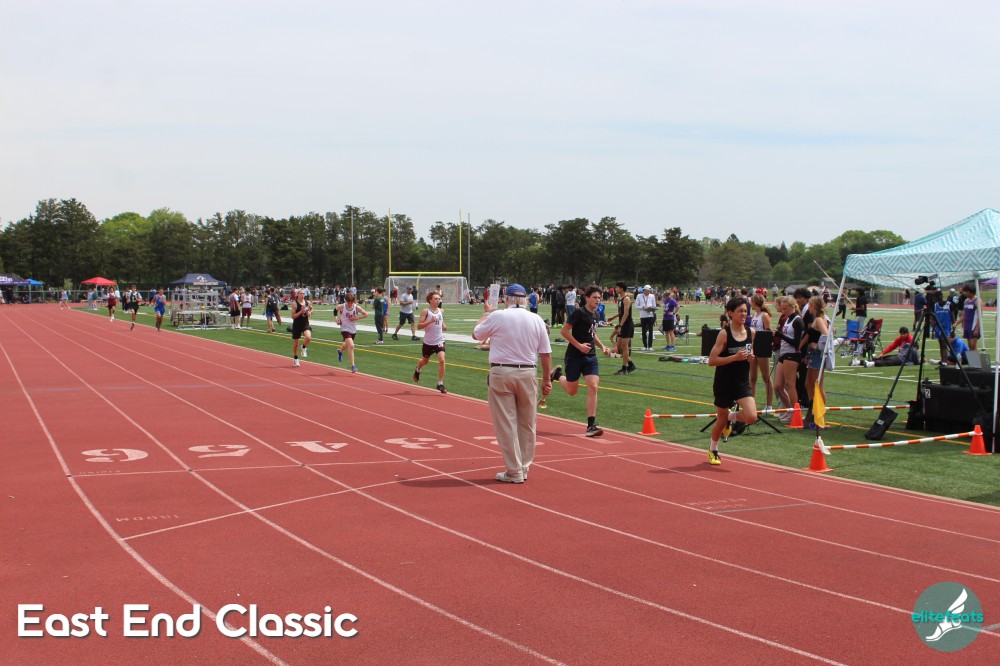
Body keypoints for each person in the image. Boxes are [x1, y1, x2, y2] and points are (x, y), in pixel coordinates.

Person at [472, 283, 553, 483]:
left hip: (502, 372)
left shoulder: (498, 316)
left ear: (506, 299)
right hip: (528, 372)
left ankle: (514, 470)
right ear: (525, 299)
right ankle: (523, 467)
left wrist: (486, 313)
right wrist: (547, 379)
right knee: (528, 423)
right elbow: (546, 353)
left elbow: (476, 335)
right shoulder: (536, 319)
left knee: (506, 423)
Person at [550, 285, 613, 436]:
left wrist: (602, 346)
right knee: (572, 391)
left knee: (593, 386)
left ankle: (591, 425)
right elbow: (564, 331)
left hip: (590, 357)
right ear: (587, 298)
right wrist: (579, 345)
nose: (598, 300)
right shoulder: (579, 313)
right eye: (595, 297)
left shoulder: (596, 314)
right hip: (574, 356)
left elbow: (592, 333)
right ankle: (557, 374)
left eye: (599, 298)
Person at [707, 298, 759, 465]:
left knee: (751, 416)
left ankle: (730, 417)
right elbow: (711, 361)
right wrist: (734, 357)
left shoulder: (751, 332)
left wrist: (751, 357)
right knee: (720, 421)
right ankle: (713, 449)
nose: (744, 314)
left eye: (745, 311)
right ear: (730, 313)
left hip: (742, 382)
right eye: (740, 311)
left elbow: (750, 352)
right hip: (724, 382)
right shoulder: (724, 334)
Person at [773, 296, 804, 425]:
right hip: (784, 353)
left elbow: (797, 343)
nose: (783, 311)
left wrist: (781, 335)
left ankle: (796, 413)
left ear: (793, 307)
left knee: (790, 385)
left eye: (785, 309)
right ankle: (789, 410)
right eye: (782, 308)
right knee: (778, 386)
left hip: (792, 354)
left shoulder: (797, 321)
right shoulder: (787, 319)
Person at [413, 291, 447, 393]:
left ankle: (440, 384)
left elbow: (441, 320)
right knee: (425, 361)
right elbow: (419, 326)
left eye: (439, 299)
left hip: (440, 340)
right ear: (430, 300)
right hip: (428, 342)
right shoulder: (425, 311)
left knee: (442, 360)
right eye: (436, 299)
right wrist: (430, 321)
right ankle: (418, 369)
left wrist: (443, 325)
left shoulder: (441, 311)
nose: (438, 300)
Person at [803, 296, 832, 410]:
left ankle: (821, 412)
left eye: (810, 305)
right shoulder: (819, 318)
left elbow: (826, 335)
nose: (808, 308)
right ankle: (813, 409)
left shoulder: (820, 319)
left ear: (814, 306)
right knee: (808, 384)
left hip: (817, 355)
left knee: (818, 385)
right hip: (813, 354)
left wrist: (818, 346)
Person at [748, 293, 774, 412]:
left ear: (755, 302)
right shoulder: (755, 315)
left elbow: (768, 332)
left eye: (751, 301)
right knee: (752, 377)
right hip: (753, 347)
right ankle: (751, 403)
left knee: (766, 377)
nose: (750, 304)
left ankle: (769, 405)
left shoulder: (764, 315)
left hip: (762, 347)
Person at [607, 281, 636, 375]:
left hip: (627, 325)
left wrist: (620, 325)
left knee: (624, 346)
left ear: (621, 288)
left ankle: (624, 368)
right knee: (619, 347)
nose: (615, 289)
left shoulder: (626, 299)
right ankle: (631, 364)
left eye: (617, 287)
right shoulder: (621, 299)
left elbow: (626, 313)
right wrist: (613, 317)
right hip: (623, 324)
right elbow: (621, 312)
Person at [336, 292, 368, 373]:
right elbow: (335, 310)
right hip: (344, 328)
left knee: (347, 345)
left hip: (353, 329)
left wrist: (357, 318)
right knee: (351, 345)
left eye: (351, 302)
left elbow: (365, 314)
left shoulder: (356, 307)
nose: (350, 304)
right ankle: (353, 366)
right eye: (348, 302)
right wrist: (336, 319)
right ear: (346, 301)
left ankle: (340, 351)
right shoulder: (342, 306)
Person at [955, 283, 981, 351]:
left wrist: (977, 329)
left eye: (967, 292)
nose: (965, 293)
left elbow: (980, 316)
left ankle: (975, 358)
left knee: (973, 346)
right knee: (970, 346)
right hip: (967, 325)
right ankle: (973, 358)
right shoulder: (966, 301)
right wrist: (957, 323)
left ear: (971, 292)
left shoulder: (977, 301)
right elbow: (964, 315)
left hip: (974, 326)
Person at [290, 289, 312, 367]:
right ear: (297, 294)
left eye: (303, 293)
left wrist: (309, 312)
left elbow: (311, 310)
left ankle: (303, 347)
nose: (302, 295)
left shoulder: (307, 302)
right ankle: (296, 358)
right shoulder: (294, 304)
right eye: (301, 293)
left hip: (305, 323)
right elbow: (293, 316)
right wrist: (301, 311)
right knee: (296, 343)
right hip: (297, 324)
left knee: (308, 337)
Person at [636, 285, 657, 351]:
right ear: (644, 290)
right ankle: (645, 346)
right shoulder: (639, 296)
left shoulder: (652, 296)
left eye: (649, 291)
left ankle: (650, 346)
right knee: (643, 331)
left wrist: (650, 309)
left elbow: (654, 306)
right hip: (643, 316)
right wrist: (643, 307)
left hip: (650, 315)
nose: (648, 292)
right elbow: (636, 306)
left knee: (651, 331)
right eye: (647, 291)